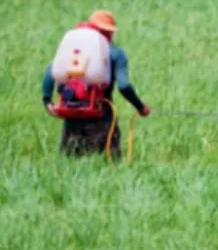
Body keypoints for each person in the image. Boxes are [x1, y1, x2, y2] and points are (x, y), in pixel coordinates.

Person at [41, 10, 150, 159]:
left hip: (71, 112)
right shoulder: (116, 54)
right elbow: (124, 86)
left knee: (71, 162)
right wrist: (141, 107)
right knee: (107, 162)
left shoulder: (74, 52)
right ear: (110, 33)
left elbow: (50, 72)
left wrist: (47, 100)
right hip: (101, 113)